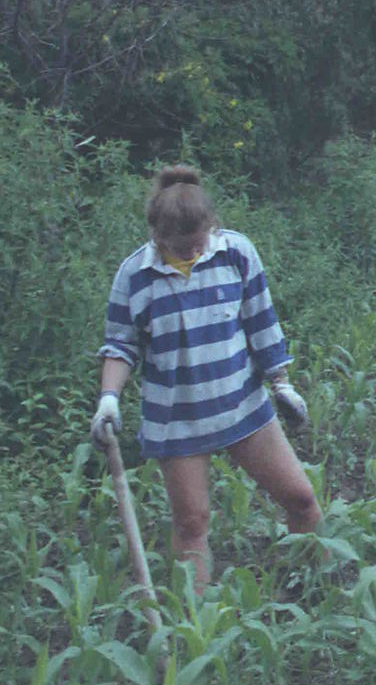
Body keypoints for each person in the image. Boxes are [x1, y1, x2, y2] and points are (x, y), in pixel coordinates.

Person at [91, 164, 322, 586]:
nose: (192, 254)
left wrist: (282, 383)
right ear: (157, 237)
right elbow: (121, 346)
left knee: (302, 499)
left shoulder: (235, 252)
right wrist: (109, 397)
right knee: (192, 524)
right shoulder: (135, 276)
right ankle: (194, 633)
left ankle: (309, 593)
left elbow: (262, 322)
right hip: (177, 421)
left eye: (199, 244)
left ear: (212, 227)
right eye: (181, 249)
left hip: (243, 407)